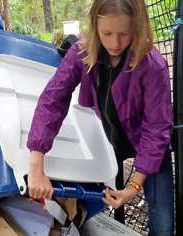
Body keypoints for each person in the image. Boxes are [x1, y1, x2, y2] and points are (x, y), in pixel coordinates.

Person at [26, 0, 174, 235]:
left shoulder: (152, 64)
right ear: (95, 26)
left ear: (137, 28)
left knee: (164, 224)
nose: (115, 43)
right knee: (88, 209)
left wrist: (133, 187)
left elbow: (156, 130)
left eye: (124, 34)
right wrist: (36, 164)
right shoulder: (82, 52)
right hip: (105, 138)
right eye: (107, 33)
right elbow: (52, 100)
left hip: (148, 143)